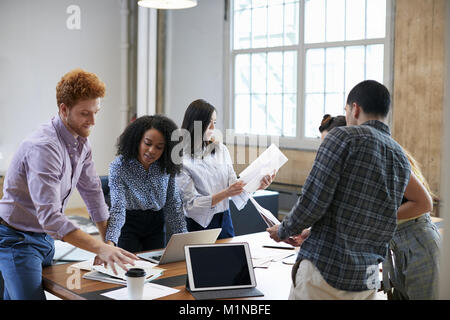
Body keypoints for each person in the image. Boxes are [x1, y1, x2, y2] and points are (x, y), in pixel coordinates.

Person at [0, 69, 137, 300]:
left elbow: (93, 192)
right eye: (85, 113)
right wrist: (99, 248)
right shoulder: (44, 147)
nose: (93, 121)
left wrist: (108, 240)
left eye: (96, 112)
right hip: (17, 241)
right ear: (64, 109)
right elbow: (51, 217)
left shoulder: (81, 141)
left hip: (44, 239)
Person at [267, 80, 411, 299]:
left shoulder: (343, 137)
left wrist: (283, 230)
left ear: (355, 108)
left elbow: (313, 200)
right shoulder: (400, 156)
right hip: (369, 275)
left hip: (327, 269)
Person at [176, 99, 274, 239]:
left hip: (225, 220)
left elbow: (234, 186)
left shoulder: (221, 150)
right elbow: (190, 205)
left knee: (230, 259)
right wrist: (225, 193)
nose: (212, 127)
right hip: (199, 225)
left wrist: (258, 185)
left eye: (214, 122)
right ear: (195, 123)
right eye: (208, 122)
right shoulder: (181, 159)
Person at [105, 115, 187, 253]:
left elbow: (173, 204)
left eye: (159, 147)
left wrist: (185, 239)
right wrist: (110, 242)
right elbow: (118, 208)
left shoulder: (166, 165)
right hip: (128, 223)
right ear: (137, 140)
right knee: (128, 268)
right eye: (147, 143)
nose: (151, 151)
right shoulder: (119, 167)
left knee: (156, 268)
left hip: (156, 223)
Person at [382, 150, 441, 300]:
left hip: (418, 242)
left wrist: (378, 217)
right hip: (397, 245)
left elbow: (425, 204)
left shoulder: (389, 158)